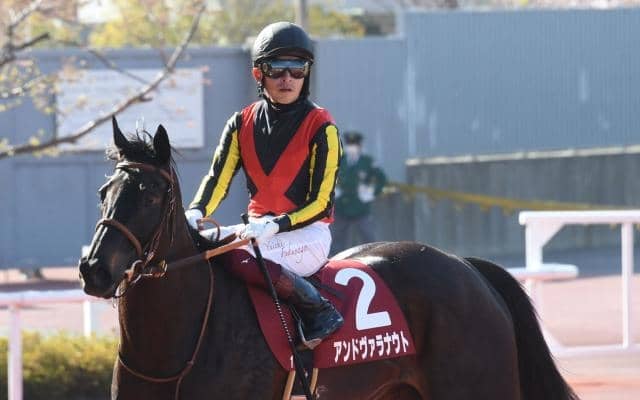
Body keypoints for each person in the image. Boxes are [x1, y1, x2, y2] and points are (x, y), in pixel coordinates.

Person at [184, 21, 343, 348]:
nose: (287, 78)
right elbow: (217, 179)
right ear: (259, 74)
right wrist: (196, 212)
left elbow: (321, 203)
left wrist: (277, 224)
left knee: (239, 258)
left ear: (306, 73)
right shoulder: (239, 123)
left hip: (307, 234)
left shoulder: (322, 126)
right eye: (277, 68)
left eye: (297, 69)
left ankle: (319, 310)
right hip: (257, 230)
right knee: (191, 248)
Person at [330, 131, 387, 255]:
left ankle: (373, 260)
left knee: (370, 240)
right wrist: (333, 191)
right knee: (336, 242)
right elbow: (327, 177)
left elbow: (382, 179)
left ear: (360, 146)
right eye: (350, 144)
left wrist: (372, 193)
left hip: (361, 207)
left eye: (354, 144)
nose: (352, 147)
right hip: (341, 207)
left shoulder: (367, 161)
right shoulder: (339, 160)